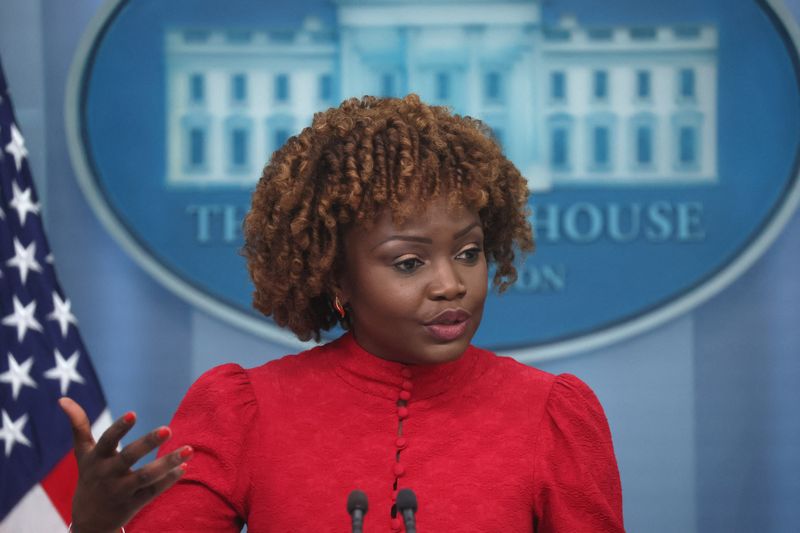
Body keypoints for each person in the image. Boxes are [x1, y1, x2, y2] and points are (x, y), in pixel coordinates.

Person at [59, 94, 624, 532]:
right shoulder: (241, 412)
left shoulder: (553, 415)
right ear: (336, 275)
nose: (451, 284)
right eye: (408, 263)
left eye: (469, 253)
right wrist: (96, 526)